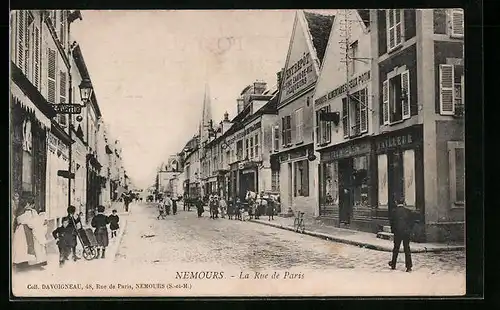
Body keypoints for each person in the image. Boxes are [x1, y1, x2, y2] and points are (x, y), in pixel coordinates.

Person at [12, 195, 48, 269]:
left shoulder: (22, 211)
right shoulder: (29, 212)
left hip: (21, 231)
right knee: (27, 246)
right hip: (25, 231)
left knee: (21, 248)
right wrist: (42, 221)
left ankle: (21, 264)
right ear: (29, 204)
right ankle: (25, 264)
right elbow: (32, 222)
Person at [388, 201, 414, 272]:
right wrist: (409, 230)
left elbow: (392, 223)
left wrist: (393, 231)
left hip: (397, 233)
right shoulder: (408, 211)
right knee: (407, 248)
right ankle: (408, 267)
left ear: (396, 203)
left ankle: (393, 264)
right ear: (404, 203)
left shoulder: (394, 212)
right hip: (406, 233)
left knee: (396, 248)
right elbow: (411, 223)